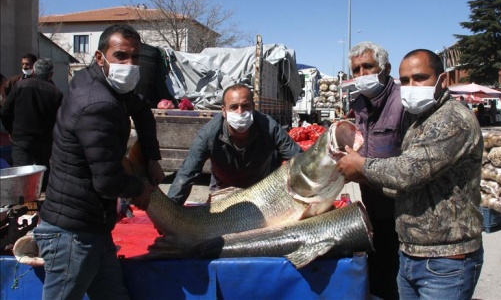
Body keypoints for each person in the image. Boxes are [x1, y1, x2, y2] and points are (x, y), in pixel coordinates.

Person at [337, 49, 484, 299]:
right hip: (412, 253)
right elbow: (406, 187)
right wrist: (360, 176)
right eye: (405, 81)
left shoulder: (452, 119)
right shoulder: (419, 122)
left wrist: (361, 166)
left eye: (420, 78)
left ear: (442, 80)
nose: (411, 86)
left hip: (445, 258)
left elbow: (408, 172)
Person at [33, 24, 164, 300]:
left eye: (135, 58)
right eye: (121, 56)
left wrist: (152, 156)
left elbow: (142, 111)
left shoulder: (97, 81)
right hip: (72, 234)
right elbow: (107, 180)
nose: (129, 65)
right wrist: (139, 190)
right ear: (99, 57)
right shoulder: (98, 104)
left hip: (94, 228)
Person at [345, 41, 414, 299]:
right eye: (356, 70)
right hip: (373, 206)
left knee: (400, 279)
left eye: (368, 67)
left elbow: (411, 162)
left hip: (402, 209)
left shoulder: (403, 102)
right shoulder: (359, 104)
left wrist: (362, 168)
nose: (362, 75)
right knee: (379, 277)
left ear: (385, 68)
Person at [167, 83, 302, 205]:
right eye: (233, 107)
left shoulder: (269, 127)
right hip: (223, 188)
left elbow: (299, 161)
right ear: (224, 111)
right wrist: (170, 211)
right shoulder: (209, 134)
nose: (240, 112)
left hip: (261, 188)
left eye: (245, 106)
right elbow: (187, 173)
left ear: (253, 107)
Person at [0, 59, 63, 191]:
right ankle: (41, 203)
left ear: (33, 71)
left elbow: (5, 111)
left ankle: (22, 205)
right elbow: (61, 120)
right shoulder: (56, 93)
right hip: (45, 141)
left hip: (21, 139)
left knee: (21, 176)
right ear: (51, 75)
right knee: (42, 175)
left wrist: (11, 130)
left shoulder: (20, 86)